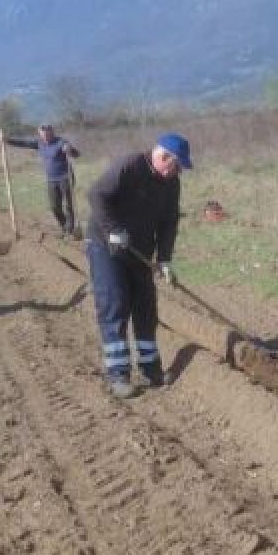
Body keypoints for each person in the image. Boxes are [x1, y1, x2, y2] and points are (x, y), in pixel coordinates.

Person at [86, 132, 192, 398]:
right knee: (115, 304)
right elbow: (96, 195)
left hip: (140, 251)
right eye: (176, 165)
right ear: (163, 157)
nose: (178, 171)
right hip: (106, 247)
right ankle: (118, 374)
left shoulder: (171, 183)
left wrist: (165, 258)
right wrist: (113, 229)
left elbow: (169, 222)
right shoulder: (129, 166)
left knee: (146, 307)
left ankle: (151, 369)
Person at [2, 123, 81, 236]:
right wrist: (7, 140)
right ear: (40, 134)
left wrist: (69, 150)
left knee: (68, 204)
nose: (45, 136)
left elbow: (77, 154)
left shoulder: (61, 142)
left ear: (52, 132)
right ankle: (64, 225)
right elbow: (23, 143)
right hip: (51, 180)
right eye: (43, 134)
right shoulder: (39, 143)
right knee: (54, 206)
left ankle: (70, 229)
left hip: (65, 177)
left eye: (47, 134)